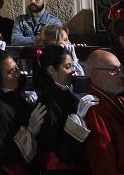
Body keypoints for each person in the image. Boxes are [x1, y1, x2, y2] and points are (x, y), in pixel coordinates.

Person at [0, 49, 46, 175]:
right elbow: (1, 153)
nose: (17, 74)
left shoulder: (13, 96)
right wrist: (29, 134)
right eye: (10, 72)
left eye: (16, 68)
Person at [33, 44, 90, 175]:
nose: (73, 71)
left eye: (72, 65)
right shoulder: (48, 100)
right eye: (67, 66)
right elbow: (53, 142)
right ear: (52, 70)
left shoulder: (63, 92)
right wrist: (78, 119)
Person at [83, 49, 124, 174]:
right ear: (95, 75)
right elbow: (103, 159)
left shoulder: (119, 99)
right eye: (114, 70)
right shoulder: (94, 108)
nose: (121, 75)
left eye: (120, 69)